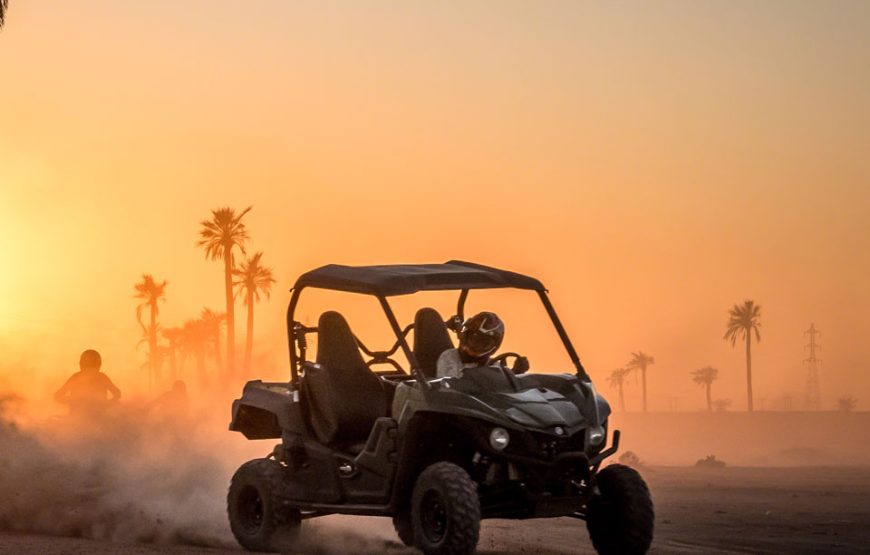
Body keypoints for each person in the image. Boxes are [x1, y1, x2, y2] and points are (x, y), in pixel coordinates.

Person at [436, 311, 505, 378]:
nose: (471, 346)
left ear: (492, 347)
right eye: (471, 337)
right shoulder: (449, 357)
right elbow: (449, 387)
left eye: (482, 342)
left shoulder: (495, 369)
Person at [54, 349, 121, 418]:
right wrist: (72, 400)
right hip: (79, 417)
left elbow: (117, 394)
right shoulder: (77, 377)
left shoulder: (100, 377)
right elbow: (57, 396)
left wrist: (106, 404)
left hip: (96, 417)